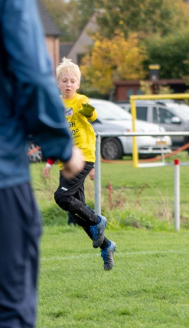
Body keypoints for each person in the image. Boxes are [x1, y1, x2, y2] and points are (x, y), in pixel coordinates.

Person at [0, 0, 85, 328]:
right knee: (9, 316)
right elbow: (30, 70)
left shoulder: (84, 103)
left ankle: (96, 227)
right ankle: (97, 226)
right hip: (4, 174)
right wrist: (61, 147)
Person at [52, 57, 116, 271]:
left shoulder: (80, 100)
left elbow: (92, 113)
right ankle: (107, 245)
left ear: (77, 84)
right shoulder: (56, 104)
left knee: (61, 196)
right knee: (76, 213)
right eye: (64, 80)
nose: (68, 84)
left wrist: (88, 110)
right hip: (66, 162)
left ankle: (98, 220)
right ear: (58, 83)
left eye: (72, 81)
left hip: (84, 157)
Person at [43, 158, 95, 225]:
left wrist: (92, 166)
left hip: (76, 166)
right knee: (74, 199)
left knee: (64, 196)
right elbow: (58, 147)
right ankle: (80, 222)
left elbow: (88, 148)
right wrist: (49, 164)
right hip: (64, 168)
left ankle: (95, 220)